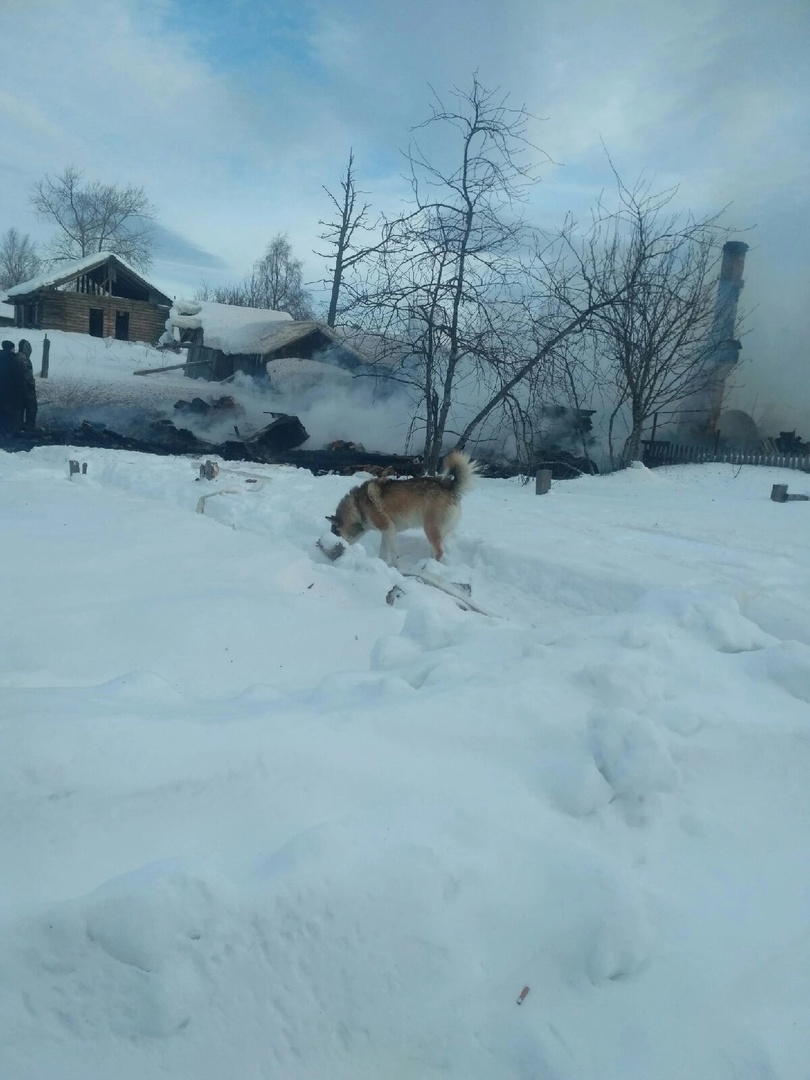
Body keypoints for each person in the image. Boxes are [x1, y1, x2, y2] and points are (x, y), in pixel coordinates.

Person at [0, 339, 38, 433]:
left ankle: (15, 426)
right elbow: (25, 376)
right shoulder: (22, 358)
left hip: (8, 389)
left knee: (15, 409)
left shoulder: (12, 357)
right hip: (21, 389)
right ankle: (27, 427)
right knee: (30, 407)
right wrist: (30, 387)